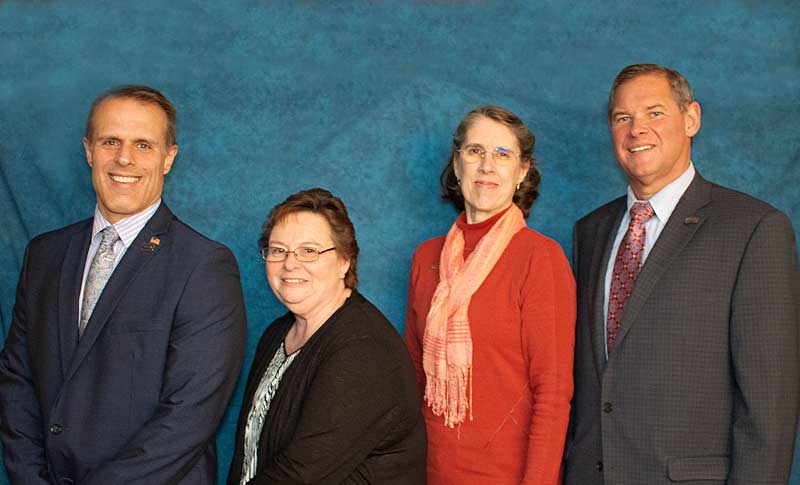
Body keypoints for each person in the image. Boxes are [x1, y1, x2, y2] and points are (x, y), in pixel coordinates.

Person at [564, 64, 799, 484]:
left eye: (654, 113)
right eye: (623, 118)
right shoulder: (591, 231)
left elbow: (770, 403)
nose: (637, 130)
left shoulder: (753, 228)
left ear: (691, 119)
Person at [0, 85, 247, 484]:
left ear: (169, 158)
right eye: (110, 141)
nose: (124, 159)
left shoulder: (203, 266)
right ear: (88, 150)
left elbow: (188, 417)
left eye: (144, 145)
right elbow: (18, 380)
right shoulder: (44, 255)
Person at [405, 105, 576, 484]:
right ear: (457, 163)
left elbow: (553, 392)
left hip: (507, 474)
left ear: (523, 171)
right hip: (428, 471)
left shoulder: (540, 258)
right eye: (475, 151)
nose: (487, 165)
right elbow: (414, 378)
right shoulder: (425, 258)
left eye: (503, 154)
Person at [228, 188, 426, 484]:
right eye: (278, 250)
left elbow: (300, 474)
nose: (290, 263)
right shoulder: (277, 334)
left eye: (309, 251)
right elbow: (249, 455)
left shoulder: (365, 351)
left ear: (344, 261)